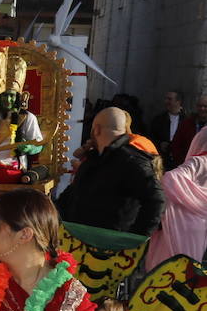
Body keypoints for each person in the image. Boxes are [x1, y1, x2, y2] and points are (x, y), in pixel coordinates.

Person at [56, 106, 164, 235]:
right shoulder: (94, 158)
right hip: (80, 240)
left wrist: (134, 240)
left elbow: (156, 199)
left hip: (112, 247)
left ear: (96, 130)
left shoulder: (131, 160)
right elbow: (72, 194)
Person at [146, 125, 207, 268]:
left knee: (172, 271)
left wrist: (190, 201)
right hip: (195, 224)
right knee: (188, 271)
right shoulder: (201, 161)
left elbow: (169, 179)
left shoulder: (200, 161)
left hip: (185, 223)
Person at [149, 90, 196, 170]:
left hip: (181, 162)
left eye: (169, 99)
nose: (166, 101)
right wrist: (160, 143)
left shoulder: (187, 120)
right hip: (162, 160)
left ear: (178, 101)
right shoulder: (159, 120)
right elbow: (150, 137)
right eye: (166, 99)